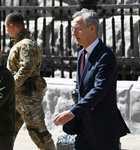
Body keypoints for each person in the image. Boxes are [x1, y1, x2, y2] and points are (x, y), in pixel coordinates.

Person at [53, 8, 130, 150]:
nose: (73, 33)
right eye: (72, 29)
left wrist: (72, 111)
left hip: (103, 130)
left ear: (92, 28)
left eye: (77, 29)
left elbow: (99, 90)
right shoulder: (81, 53)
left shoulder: (106, 56)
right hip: (83, 128)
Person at [5, 12, 56, 150]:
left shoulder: (26, 44)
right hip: (18, 97)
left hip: (28, 97)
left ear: (12, 26)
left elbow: (27, 66)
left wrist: (12, 83)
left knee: (38, 132)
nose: (6, 31)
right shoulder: (20, 43)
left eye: (6, 27)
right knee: (6, 131)